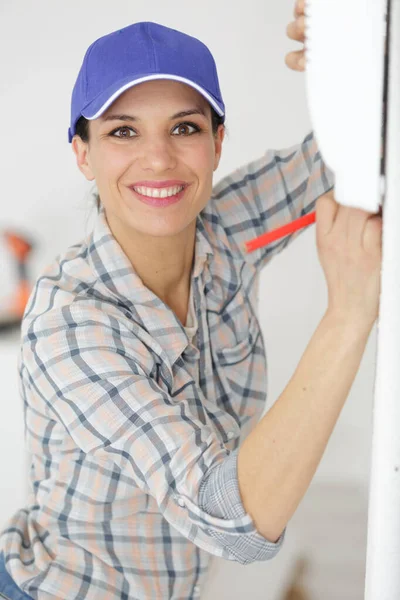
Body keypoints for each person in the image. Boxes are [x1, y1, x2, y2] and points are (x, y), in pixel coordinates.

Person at [0, 4, 382, 599]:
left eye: (184, 128)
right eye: (123, 131)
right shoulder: (69, 328)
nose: (159, 159)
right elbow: (233, 521)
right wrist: (349, 315)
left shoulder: (224, 230)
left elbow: (353, 151)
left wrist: (358, 59)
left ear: (216, 141)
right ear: (83, 154)